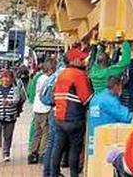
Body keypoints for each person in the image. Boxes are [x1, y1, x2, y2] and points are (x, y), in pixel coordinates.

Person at [51, 47, 94, 177]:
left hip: (59, 117)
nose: (83, 61)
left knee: (58, 147)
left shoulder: (62, 74)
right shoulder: (79, 75)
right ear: (74, 60)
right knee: (74, 149)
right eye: (81, 59)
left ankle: (55, 173)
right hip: (74, 118)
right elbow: (86, 98)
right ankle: (74, 174)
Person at [88, 75, 133, 159]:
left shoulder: (96, 97)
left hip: (93, 138)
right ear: (116, 86)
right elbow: (127, 117)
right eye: (121, 86)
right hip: (106, 138)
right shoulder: (110, 101)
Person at [29, 60, 55, 164]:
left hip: (37, 108)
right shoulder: (49, 80)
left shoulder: (39, 78)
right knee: (45, 133)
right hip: (45, 108)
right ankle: (42, 153)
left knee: (37, 132)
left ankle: (33, 152)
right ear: (49, 70)